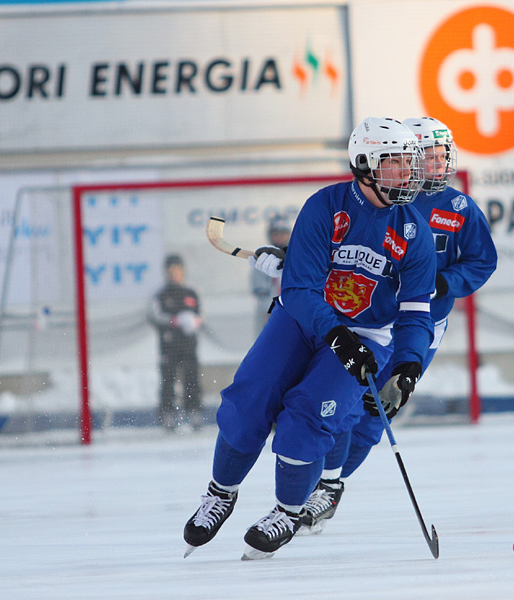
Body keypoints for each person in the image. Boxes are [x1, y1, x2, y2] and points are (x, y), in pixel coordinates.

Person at [182, 117, 436, 560]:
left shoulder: (415, 232)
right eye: (395, 165)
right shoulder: (325, 207)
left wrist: (409, 363)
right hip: (301, 320)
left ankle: (287, 511)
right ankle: (221, 493)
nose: (408, 176)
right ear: (363, 164)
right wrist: (336, 334)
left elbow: (416, 311)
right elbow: (298, 290)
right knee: (250, 399)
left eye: (409, 166)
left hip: (365, 334)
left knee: (309, 415)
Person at [296, 117, 498, 534]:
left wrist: (445, 282)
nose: (438, 164)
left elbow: (483, 260)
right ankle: (316, 482)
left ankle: (334, 486)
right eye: (429, 156)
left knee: (380, 410)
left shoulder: (459, 208)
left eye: (443, 156)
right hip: (372, 320)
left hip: (420, 324)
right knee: (347, 402)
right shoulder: (381, 199)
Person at [149, 254, 204, 432]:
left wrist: (193, 321)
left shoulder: (191, 292)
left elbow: (200, 314)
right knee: (168, 379)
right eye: (170, 271)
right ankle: (167, 413)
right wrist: (174, 321)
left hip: (188, 345)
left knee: (192, 378)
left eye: (177, 270)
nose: (174, 274)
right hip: (169, 345)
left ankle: (193, 410)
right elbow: (155, 316)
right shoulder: (161, 295)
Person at [249, 215, 291, 336]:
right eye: (276, 234)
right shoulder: (264, 259)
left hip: (293, 313)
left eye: (283, 233)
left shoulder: (297, 256)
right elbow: (260, 291)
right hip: (270, 314)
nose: (280, 237)